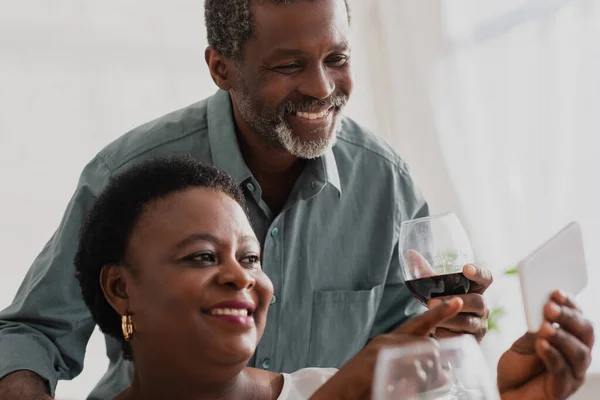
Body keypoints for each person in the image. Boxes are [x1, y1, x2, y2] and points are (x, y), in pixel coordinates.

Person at [0, 1, 493, 399]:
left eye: (337, 59)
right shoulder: (127, 173)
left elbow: (401, 362)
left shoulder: (386, 183)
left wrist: (446, 332)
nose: (322, 88)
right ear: (221, 68)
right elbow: (33, 334)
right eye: (289, 65)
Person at [70, 156, 592, 400]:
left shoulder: (344, 389)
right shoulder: (343, 393)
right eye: (203, 257)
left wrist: (513, 399)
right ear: (121, 288)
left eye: (250, 259)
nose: (239, 276)